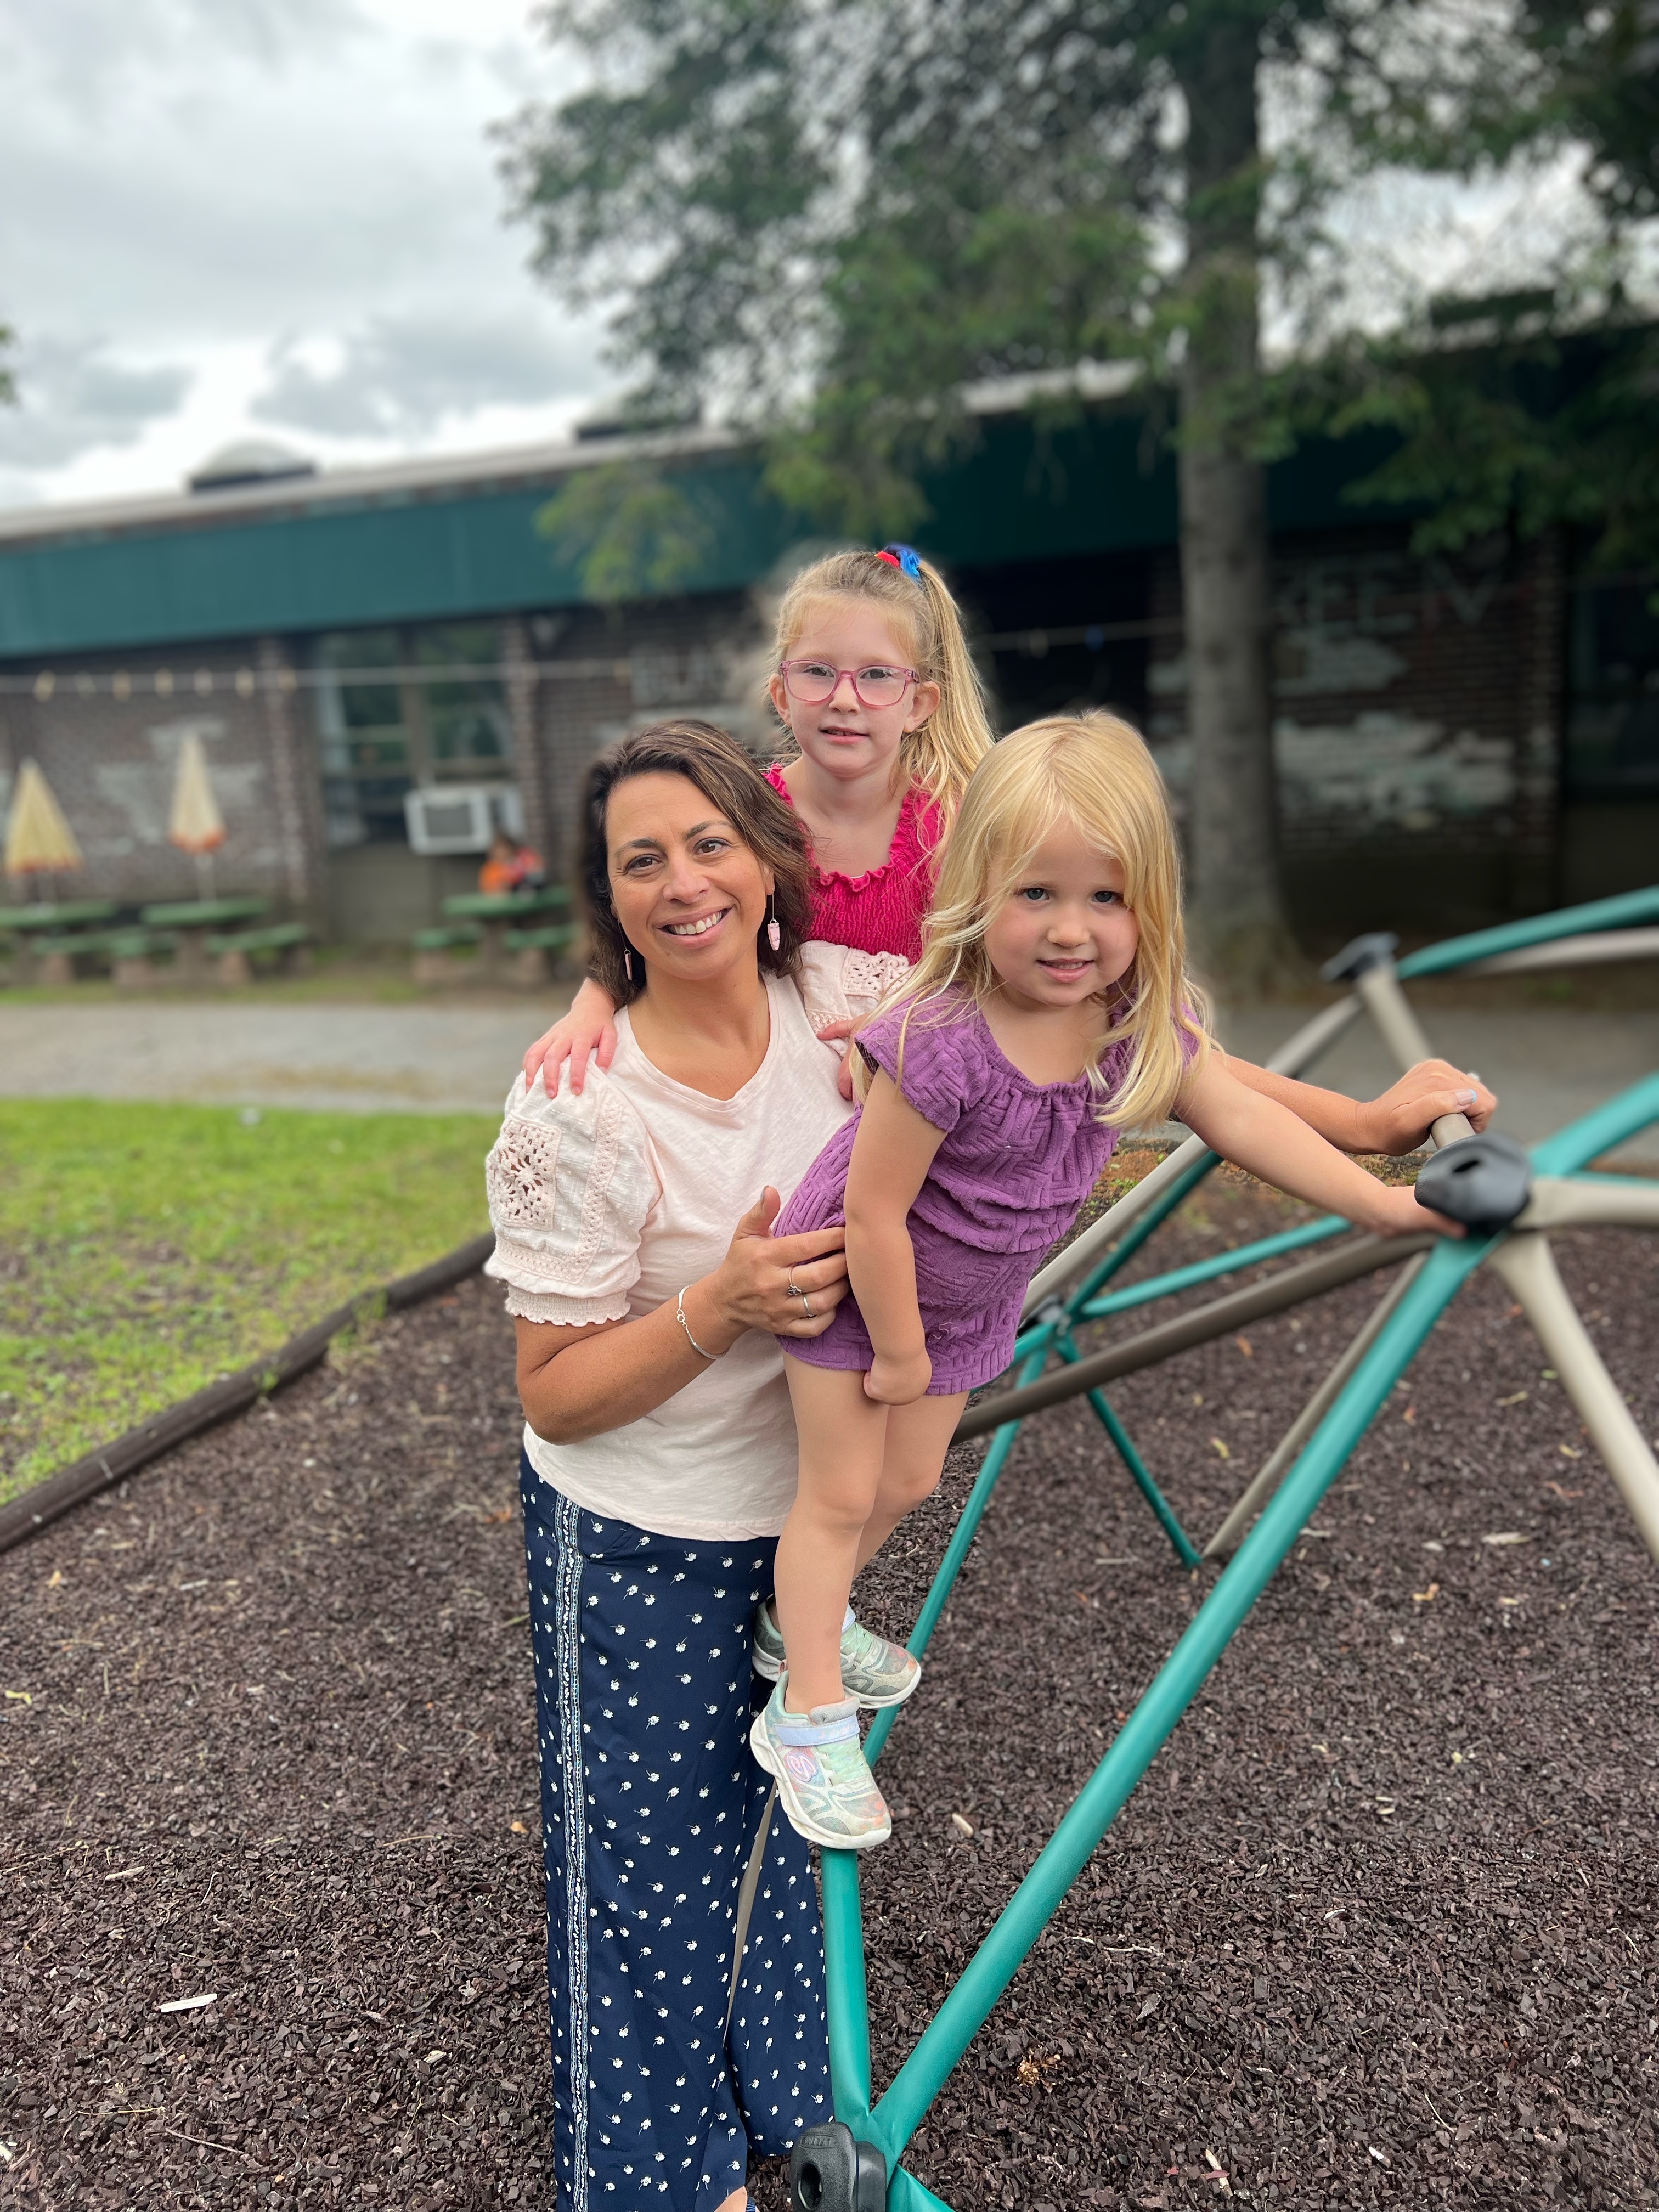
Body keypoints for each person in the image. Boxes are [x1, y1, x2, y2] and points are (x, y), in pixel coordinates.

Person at [748, 713, 1475, 1852]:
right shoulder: (942, 1041)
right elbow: (876, 1212)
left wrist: (1384, 1166)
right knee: (840, 1495)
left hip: (967, 1302)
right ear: (981, 888)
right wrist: (895, 1350)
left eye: (1106, 897)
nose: (1071, 930)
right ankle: (806, 1719)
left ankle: (800, 1623)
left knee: (910, 1480)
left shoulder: (1130, 1025)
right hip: (856, 1287)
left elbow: (1237, 1106)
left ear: (1150, 908)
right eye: (1037, 893)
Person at [483, 719, 915, 2212]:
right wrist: (714, 1307)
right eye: (640, 863)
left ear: (767, 854)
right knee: (649, 1891)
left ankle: (790, 2109)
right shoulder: (578, 1105)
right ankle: (657, 2181)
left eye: (709, 843)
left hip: (809, 1526)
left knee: (799, 1843)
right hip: (644, 1543)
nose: (683, 884)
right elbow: (554, 1393)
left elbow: (1065, 1003)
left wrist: (1360, 1132)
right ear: (608, 905)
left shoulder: (851, 1004)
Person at [521, 541, 993, 1097]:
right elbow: (667, 916)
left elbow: (999, 977)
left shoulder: (960, 828)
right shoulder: (740, 813)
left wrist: (910, 1031)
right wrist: (593, 1003)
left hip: (919, 1097)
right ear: (781, 695)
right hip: (782, 1100)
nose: (845, 699)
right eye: (817, 672)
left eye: (878, 676)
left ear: (919, 704)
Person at [479, 827, 545, 894]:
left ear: (512, 849)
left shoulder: (518, 861)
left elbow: (536, 867)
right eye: (499, 850)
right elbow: (490, 889)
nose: (502, 853)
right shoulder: (491, 868)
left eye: (505, 849)